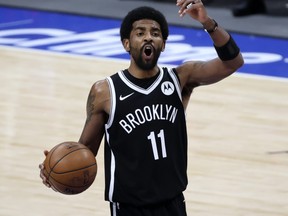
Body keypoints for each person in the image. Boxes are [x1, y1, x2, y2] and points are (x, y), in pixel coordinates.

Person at [39, 0, 244, 215]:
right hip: (129, 207)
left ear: (163, 44)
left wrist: (207, 22)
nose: (148, 37)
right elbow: (86, 151)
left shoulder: (181, 78)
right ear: (127, 43)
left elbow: (233, 62)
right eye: (140, 33)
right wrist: (54, 169)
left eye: (155, 33)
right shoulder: (105, 92)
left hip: (172, 203)